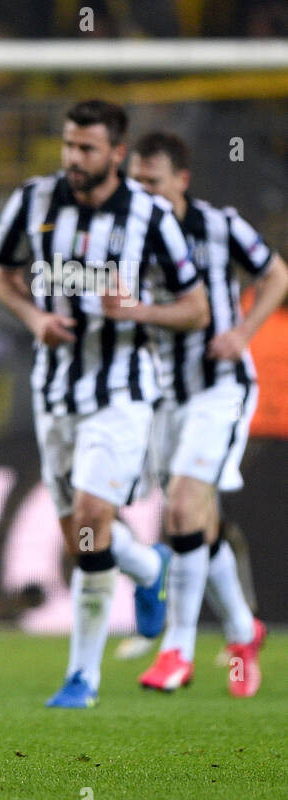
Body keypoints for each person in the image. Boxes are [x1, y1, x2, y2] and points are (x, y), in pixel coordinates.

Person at [0, 100, 210, 708]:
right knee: (82, 542)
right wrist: (34, 316)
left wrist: (137, 310)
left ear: (117, 153)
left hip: (121, 390)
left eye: (87, 149)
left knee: (90, 521)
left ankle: (81, 677)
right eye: (68, 145)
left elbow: (196, 308)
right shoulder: (33, 200)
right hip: (53, 392)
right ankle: (148, 568)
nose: (73, 159)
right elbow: (2, 273)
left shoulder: (150, 215)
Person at [124, 131, 285, 697]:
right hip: (165, 394)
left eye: (153, 182)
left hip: (221, 389)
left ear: (181, 181)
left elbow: (276, 274)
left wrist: (243, 331)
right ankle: (244, 631)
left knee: (183, 507)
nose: (142, 192)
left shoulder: (220, 225)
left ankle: (177, 651)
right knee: (199, 523)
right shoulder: (128, 237)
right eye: (135, 182)